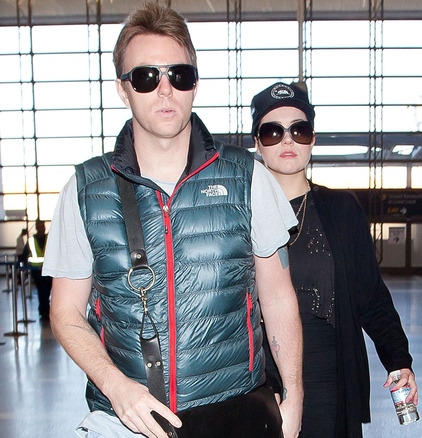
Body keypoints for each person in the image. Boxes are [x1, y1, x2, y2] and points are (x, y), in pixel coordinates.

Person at [43, 4, 303, 438]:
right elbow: (66, 311)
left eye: (178, 75)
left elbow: (277, 297)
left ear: (195, 84)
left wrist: (293, 396)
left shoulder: (248, 178)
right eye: (146, 77)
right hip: (126, 417)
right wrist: (116, 387)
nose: (165, 91)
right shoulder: (85, 189)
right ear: (122, 89)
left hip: (234, 414)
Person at [250, 81, 417, 438]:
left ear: (312, 139)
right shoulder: (238, 215)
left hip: (329, 379)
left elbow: (370, 295)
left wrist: (398, 359)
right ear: (257, 143)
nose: (288, 140)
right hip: (258, 381)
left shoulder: (341, 211)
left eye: (299, 129)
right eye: (273, 131)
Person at [27, 220, 52, 320]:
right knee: (41, 290)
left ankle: (45, 308)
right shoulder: (31, 240)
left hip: (48, 269)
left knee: (47, 290)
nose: (42, 228)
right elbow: (26, 253)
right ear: (37, 228)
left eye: (43, 226)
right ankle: (44, 310)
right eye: (40, 226)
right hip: (36, 270)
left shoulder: (49, 238)